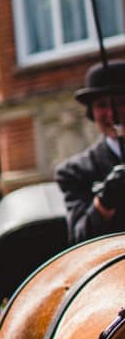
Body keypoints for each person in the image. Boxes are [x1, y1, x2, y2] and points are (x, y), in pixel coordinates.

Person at [55, 61, 125, 244]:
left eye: (120, 102)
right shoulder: (75, 171)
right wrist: (103, 203)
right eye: (102, 105)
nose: (112, 114)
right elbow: (79, 239)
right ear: (92, 114)